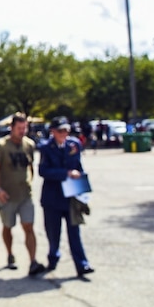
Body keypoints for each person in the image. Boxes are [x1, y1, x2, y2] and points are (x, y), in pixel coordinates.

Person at [0, 113, 46, 276]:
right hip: (7, 195)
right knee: (8, 226)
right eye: (19, 128)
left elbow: (31, 167)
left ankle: (33, 262)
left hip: (25, 194)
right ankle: (10, 254)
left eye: (25, 128)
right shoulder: (1, 146)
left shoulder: (29, 145)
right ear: (11, 128)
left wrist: (29, 181)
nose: (22, 131)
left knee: (28, 226)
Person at [39, 116, 95, 278]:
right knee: (53, 233)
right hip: (52, 198)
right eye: (60, 131)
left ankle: (82, 264)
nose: (64, 133)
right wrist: (65, 173)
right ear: (53, 132)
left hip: (71, 196)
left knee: (74, 232)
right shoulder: (46, 148)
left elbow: (78, 166)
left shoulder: (74, 145)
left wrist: (81, 184)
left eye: (66, 130)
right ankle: (53, 257)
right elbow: (44, 171)